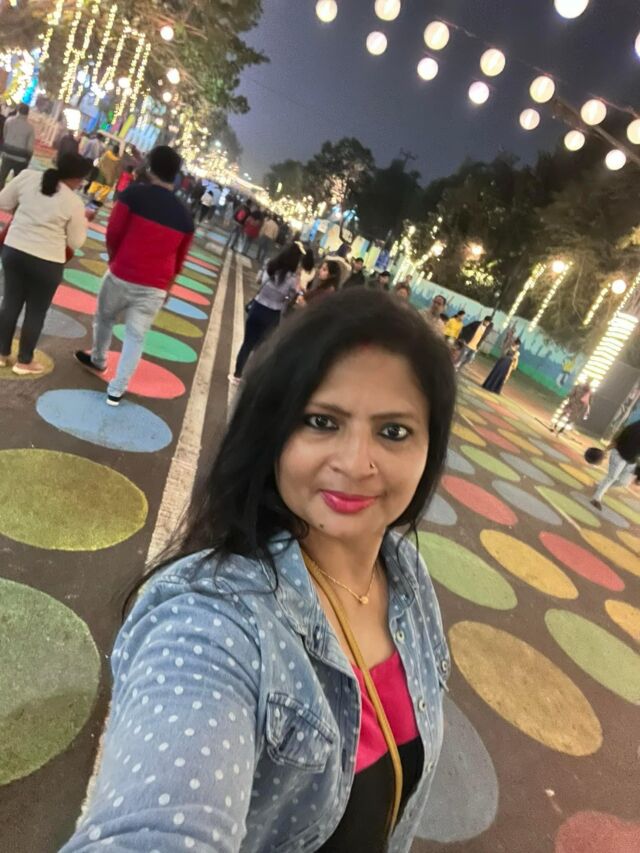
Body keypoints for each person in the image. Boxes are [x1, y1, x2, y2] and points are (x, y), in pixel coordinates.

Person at [59, 289, 454, 853]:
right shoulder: (213, 620)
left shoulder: (407, 573)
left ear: (429, 446)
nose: (355, 463)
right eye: (322, 421)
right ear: (272, 430)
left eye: (393, 431)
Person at [74, 146, 194, 405]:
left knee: (104, 317)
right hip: (155, 286)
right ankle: (117, 389)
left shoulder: (133, 195)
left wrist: (115, 258)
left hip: (122, 272)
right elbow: (179, 259)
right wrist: (168, 287)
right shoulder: (185, 217)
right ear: (175, 175)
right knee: (136, 336)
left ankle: (98, 359)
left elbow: (113, 232)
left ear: (150, 167)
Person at [0, 153, 91, 374]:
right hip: (48, 262)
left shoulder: (28, 177)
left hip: (14, 251)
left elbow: (3, 201)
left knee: (10, 302)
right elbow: (76, 242)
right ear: (77, 178)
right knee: (36, 311)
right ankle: (24, 361)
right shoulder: (74, 203)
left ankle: (1, 353)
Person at [229, 241, 311, 383]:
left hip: (257, 308)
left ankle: (237, 374)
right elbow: (292, 297)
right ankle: (251, 377)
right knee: (261, 349)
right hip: (273, 315)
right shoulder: (292, 279)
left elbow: (258, 280)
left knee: (247, 344)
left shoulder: (269, 265)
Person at [590, 420, 640, 510]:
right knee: (612, 477)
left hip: (631, 460)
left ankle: (600, 485)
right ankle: (596, 498)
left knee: (623, 482)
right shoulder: (633, 428)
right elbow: (617, 440)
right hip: (618, 454)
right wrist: (605, 450)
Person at [0, 104, 35, 190]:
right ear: (27, 114)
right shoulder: (30, 128)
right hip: (21, 158)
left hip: (7, 154)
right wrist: (28, 159)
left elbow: (5, 135)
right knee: (16, 182)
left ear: (18, 111)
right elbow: (30, 147)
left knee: (2, 177)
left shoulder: (9, 121)